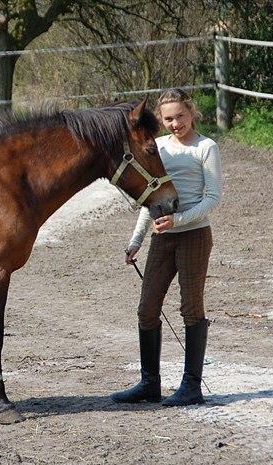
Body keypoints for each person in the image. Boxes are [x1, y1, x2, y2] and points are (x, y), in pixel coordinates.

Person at [111, 88, 223, 406]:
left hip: (194, 237)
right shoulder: (157, 147)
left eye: (181, 117)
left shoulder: (206, 147)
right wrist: (135, 241)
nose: (175, 123)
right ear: (161, 119)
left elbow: (213, 197)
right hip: (162, 238)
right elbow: (151, 199)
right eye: (169, 118)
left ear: (192, 112)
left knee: (191, 308)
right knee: (147, 308)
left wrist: (180, 220)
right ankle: (150, 383)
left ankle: (191, 386)